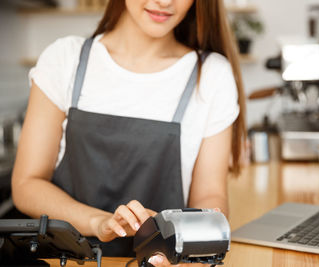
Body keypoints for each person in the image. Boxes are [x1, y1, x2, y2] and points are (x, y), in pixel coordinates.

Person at [11, 0, 246, 265]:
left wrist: (183, 241)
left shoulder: (212, 75)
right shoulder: (66, 59)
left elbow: (210, 197)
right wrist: (100, 222)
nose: (165, 2)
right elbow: (26, 184)